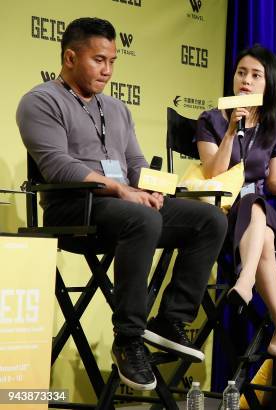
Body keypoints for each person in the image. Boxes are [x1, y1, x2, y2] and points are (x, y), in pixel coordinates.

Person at [16, 18, 227, 390]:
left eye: (113, 61)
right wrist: (121, 190)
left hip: (122, 206)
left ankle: (169, 319)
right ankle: (129, 339)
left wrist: (158, 189)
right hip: (74, 207)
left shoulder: (117, 109)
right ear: (69, 57)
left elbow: (136, 166)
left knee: (209, 219)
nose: (108, 70)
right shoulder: (40, 101)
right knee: (140, 218)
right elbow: (58, 167)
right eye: (99, 60)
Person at [195, 44, 276, 358]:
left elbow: (273, 183)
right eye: (241, 72)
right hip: (219, 212)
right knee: (266, 237)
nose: (246, 80)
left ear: (268, 84)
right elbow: (211, 173)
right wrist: (231, 131)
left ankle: (245, 283)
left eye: (256, 75)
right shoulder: (211, 119)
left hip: (256, 210)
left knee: (256, 199)